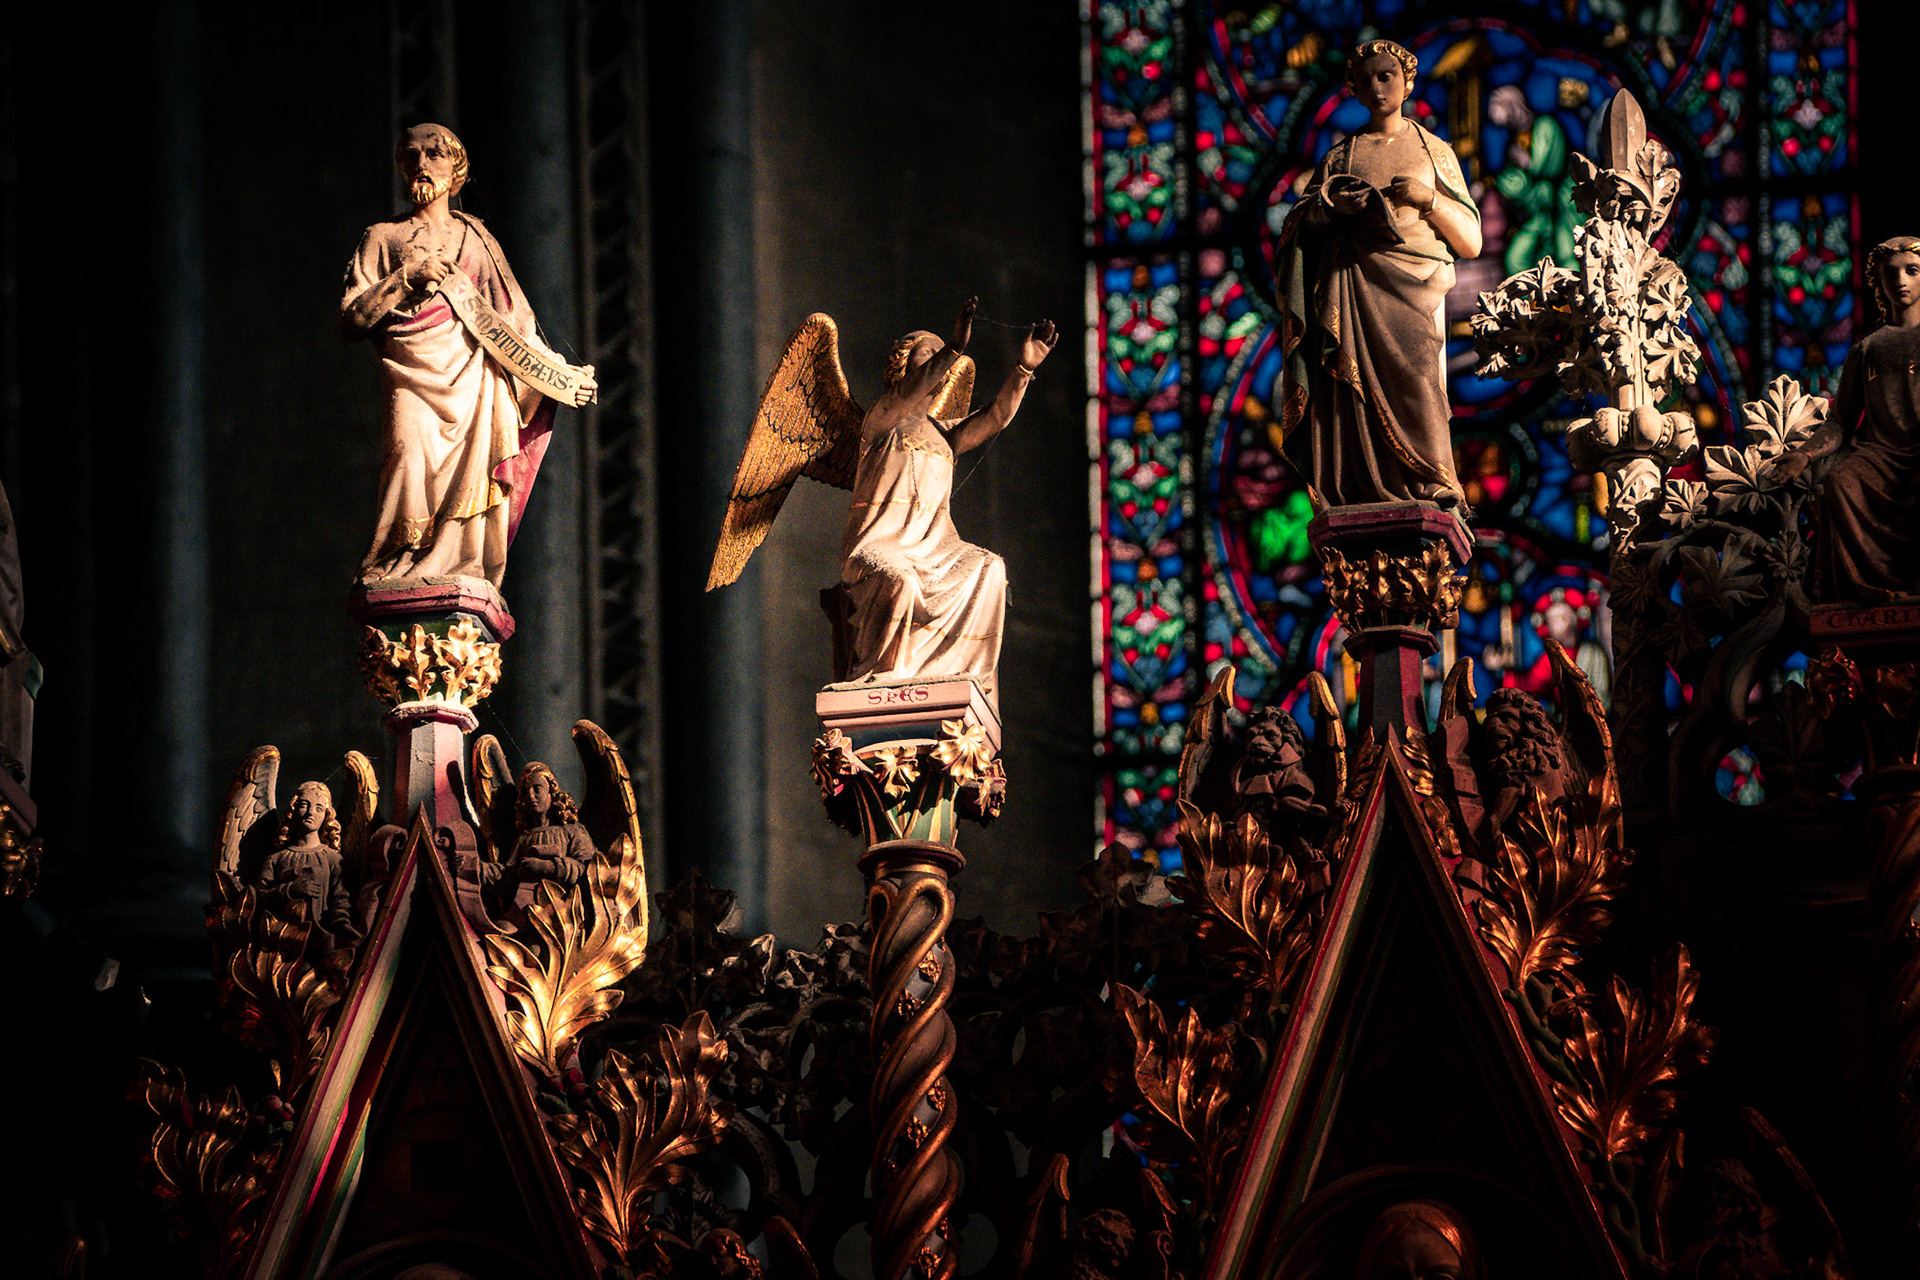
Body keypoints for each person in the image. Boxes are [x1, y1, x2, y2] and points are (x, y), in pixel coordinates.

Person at [341, 124, 596, 587]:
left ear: (456, 167)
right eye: (412, 155)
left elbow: (514, 322)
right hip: (410, 372)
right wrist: (406, 277)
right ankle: (396, 560)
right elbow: (352, 317)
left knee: (468, 479)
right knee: (407, 457)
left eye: (435, 154)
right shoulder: (381, 236)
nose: (422, 164)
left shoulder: (477, 239)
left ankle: (457, 563)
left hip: (473, 380)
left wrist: (561, 376)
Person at [1275, 40, 1482, 509]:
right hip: (1351, 285)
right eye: (1366, 80)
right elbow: (1300, 224)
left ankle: (1434, 475)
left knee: (1418, 378)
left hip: (1414, 286)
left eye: (1386, 75)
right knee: (1349, 390)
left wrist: (1429, 200)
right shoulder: (1340, 157)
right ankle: (1354, 484)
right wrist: (1332, 209)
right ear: (1353, 89)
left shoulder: (1434, 151)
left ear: (1408, 83)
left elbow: (1471, 241)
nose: (1377, 87)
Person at [836, 300, 1057, 695]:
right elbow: (906, 395)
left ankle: (968, 680)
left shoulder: (945, 435)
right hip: (882, 547)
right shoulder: (881, 420)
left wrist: (1024, 368)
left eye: (943, 355)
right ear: (903, 365)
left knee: (990, 569)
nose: (941, 360)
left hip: (936, 548)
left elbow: (997, 416)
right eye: (928, 353)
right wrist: (954, 347)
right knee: (901, 581)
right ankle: (888, 677)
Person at [1775, 236, 1920, 601]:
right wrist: (1805, 454)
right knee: (1841, 481)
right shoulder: (1867, 348)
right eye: (1890, 273)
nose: (1900, 280)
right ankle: (1868, 595)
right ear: (1879, 282)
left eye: (1912, 271)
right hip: (1881, 457)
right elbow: (1841, 420)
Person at [255, 781, 361, 945]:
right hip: (280, 940)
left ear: (326, 815)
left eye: (319, 808)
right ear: (293, 810)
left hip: (319, 940)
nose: (310, 812)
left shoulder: (332, 859)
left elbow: (341, 899)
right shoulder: (276, 858)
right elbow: (260, 897)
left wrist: (342, 924)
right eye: (304, 805)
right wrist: (291, 890)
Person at [486, 762, 594, 893]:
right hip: (527, 901)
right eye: (525, 791)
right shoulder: (524, 836)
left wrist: (548, 867)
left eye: (537, 789)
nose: (530, 796)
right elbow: (507, 876)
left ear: (551, 793)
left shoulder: (572, 831)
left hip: (565, 900)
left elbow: (590, 870)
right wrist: (478, 869)